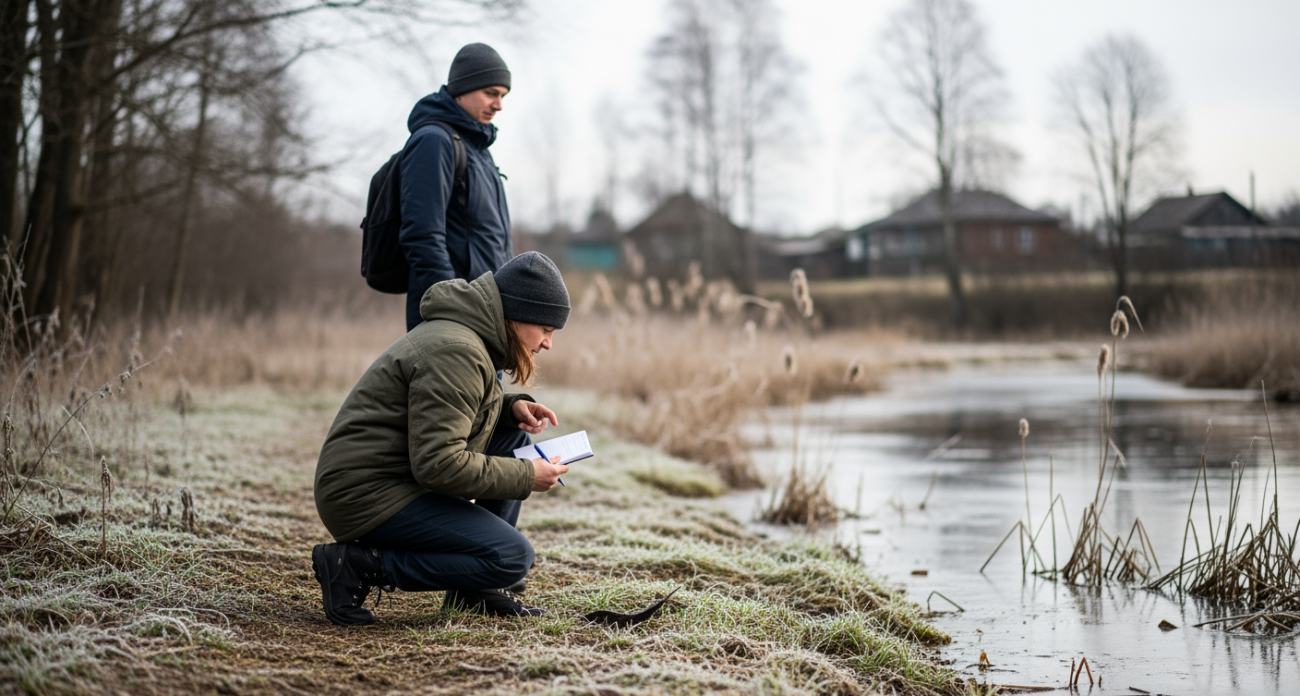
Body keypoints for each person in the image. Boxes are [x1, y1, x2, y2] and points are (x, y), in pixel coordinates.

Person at [312, 252, 571, 626]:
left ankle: (472, 592)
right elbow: (440, 463)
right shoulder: (458, 352)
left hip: (388, 479)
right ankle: (358, 565)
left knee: (511, 435)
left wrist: (509, 408)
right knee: (510, 558)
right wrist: (526, 476)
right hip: (363, 494)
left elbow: (442, 414)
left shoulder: (468, 341)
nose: (547, 343)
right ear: (517, 313)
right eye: (546, 329)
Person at [399, 42, 514, 333]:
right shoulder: (434, 141)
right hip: (451, 322)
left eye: (502, 96)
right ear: (462, 88)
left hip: (486, 317)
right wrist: (454, 309)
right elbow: (422, 235)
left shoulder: (478, 151)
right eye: (491, 93)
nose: (499, 105)